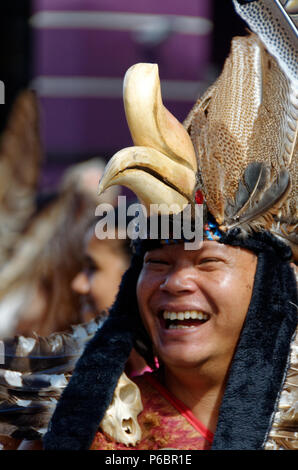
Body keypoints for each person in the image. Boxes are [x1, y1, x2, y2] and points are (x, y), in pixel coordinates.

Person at [23, 0, 298, 450]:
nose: (176, 282)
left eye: (208, 261)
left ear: (273, 288)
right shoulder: (77, 427)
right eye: (159, 262)